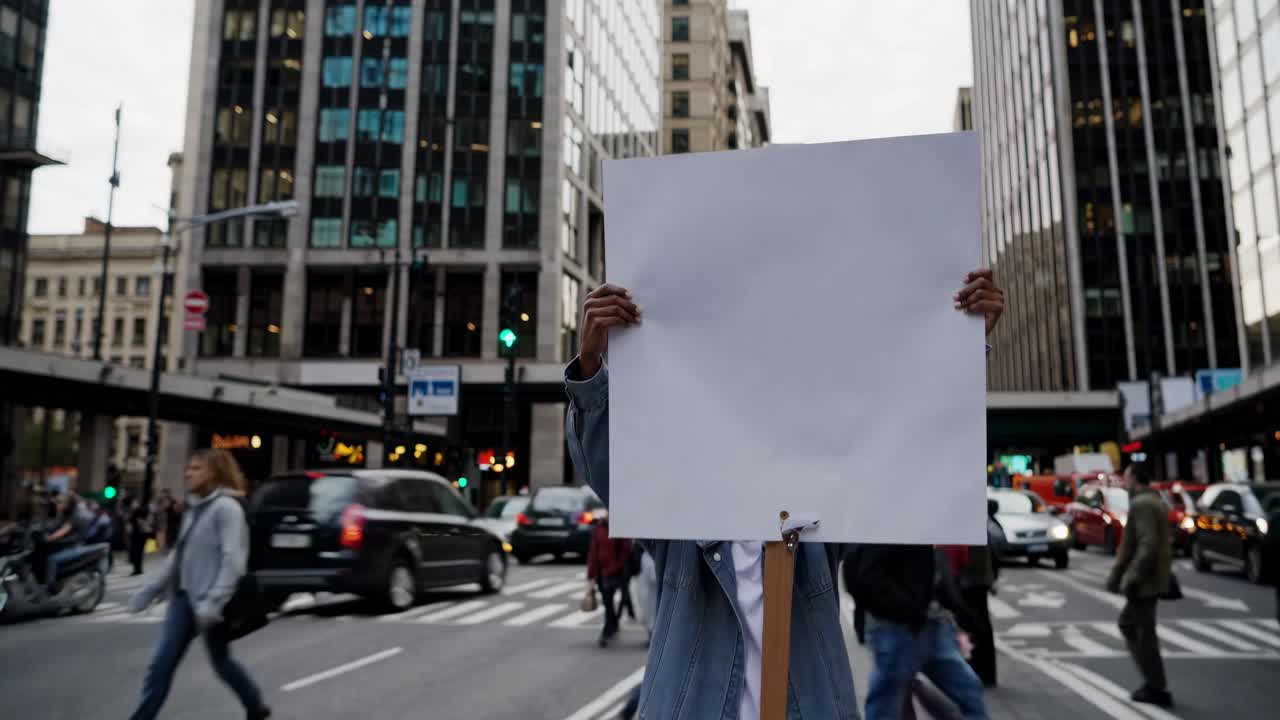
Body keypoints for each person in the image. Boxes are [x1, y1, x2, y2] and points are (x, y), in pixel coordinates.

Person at [565, 269, 1005, 719]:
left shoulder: (819, 522)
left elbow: (905, 446)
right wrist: (590, 367)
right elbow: (610, 467)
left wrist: (963, 345)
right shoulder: (679, 522)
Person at [125, 449, 271, 720]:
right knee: (160, 666)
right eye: (188, 468)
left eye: (196, 469)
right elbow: (179, 555)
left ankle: (254, 705)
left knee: (222, 664)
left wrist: (214, 602)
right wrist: (150, 589)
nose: (188, 473)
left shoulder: (226, 508)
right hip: (183, 599)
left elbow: (233, 560)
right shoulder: (195, 507)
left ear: (214, 473)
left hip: (210, 604)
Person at [847, 544, 986, 720]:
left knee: (968, 691)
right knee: (887, 704)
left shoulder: (924, 531)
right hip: (898, 627)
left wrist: (964, 614)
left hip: (927, 624)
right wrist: (910, 610)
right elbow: (865, 576)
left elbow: (934, 575)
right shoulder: (890, 529)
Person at [1105, 460, 1173, 708]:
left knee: (1140, 632)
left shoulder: (1142, 504)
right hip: (1150, 579)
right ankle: (1154, 683)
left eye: (1126, 477)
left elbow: (1147, 544)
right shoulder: (1154, 501)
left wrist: (1130, 577)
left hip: (1144, 582)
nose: (1123, 482)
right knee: (1138, 628)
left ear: (1135, 478)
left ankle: (1155, 685)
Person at [958, 501, 1001, 687]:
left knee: (974, 622)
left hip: (971, 577)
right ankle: (984, 672)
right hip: (976, 576)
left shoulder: (968, 519)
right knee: (979, 622)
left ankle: (977, 670)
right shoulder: (975, 517)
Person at [586, 513, 632, 648]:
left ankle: (608, 630)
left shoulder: (620, 528)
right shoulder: (598, 528)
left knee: (618, 600)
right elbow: (593, 552)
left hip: (618, 572)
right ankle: (610, 628)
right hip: (602, 574)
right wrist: (591, 575)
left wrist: (615, 567)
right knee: (608, 603)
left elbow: (626, 551)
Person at [43, 491, 91, 593]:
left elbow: (63, 530)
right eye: (57, 501)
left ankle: (50, 587)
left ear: (69, 503)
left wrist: (50, 538)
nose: (57, 503)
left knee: (52, 559)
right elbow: (52, 525)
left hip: (74, 546)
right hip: (63, 545)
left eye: (61, 502)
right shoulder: (62, 514)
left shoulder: (75, 515)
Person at [127, 496, 153, 576]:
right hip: (137, 534)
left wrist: (140, 522)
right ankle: (137, 569)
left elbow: (143, 521)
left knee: (138, 552)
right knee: (137, 552)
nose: (133, 504)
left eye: (134, 503)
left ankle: (137, 569)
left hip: (140, 535)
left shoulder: (140, 510)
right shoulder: (135, 511)